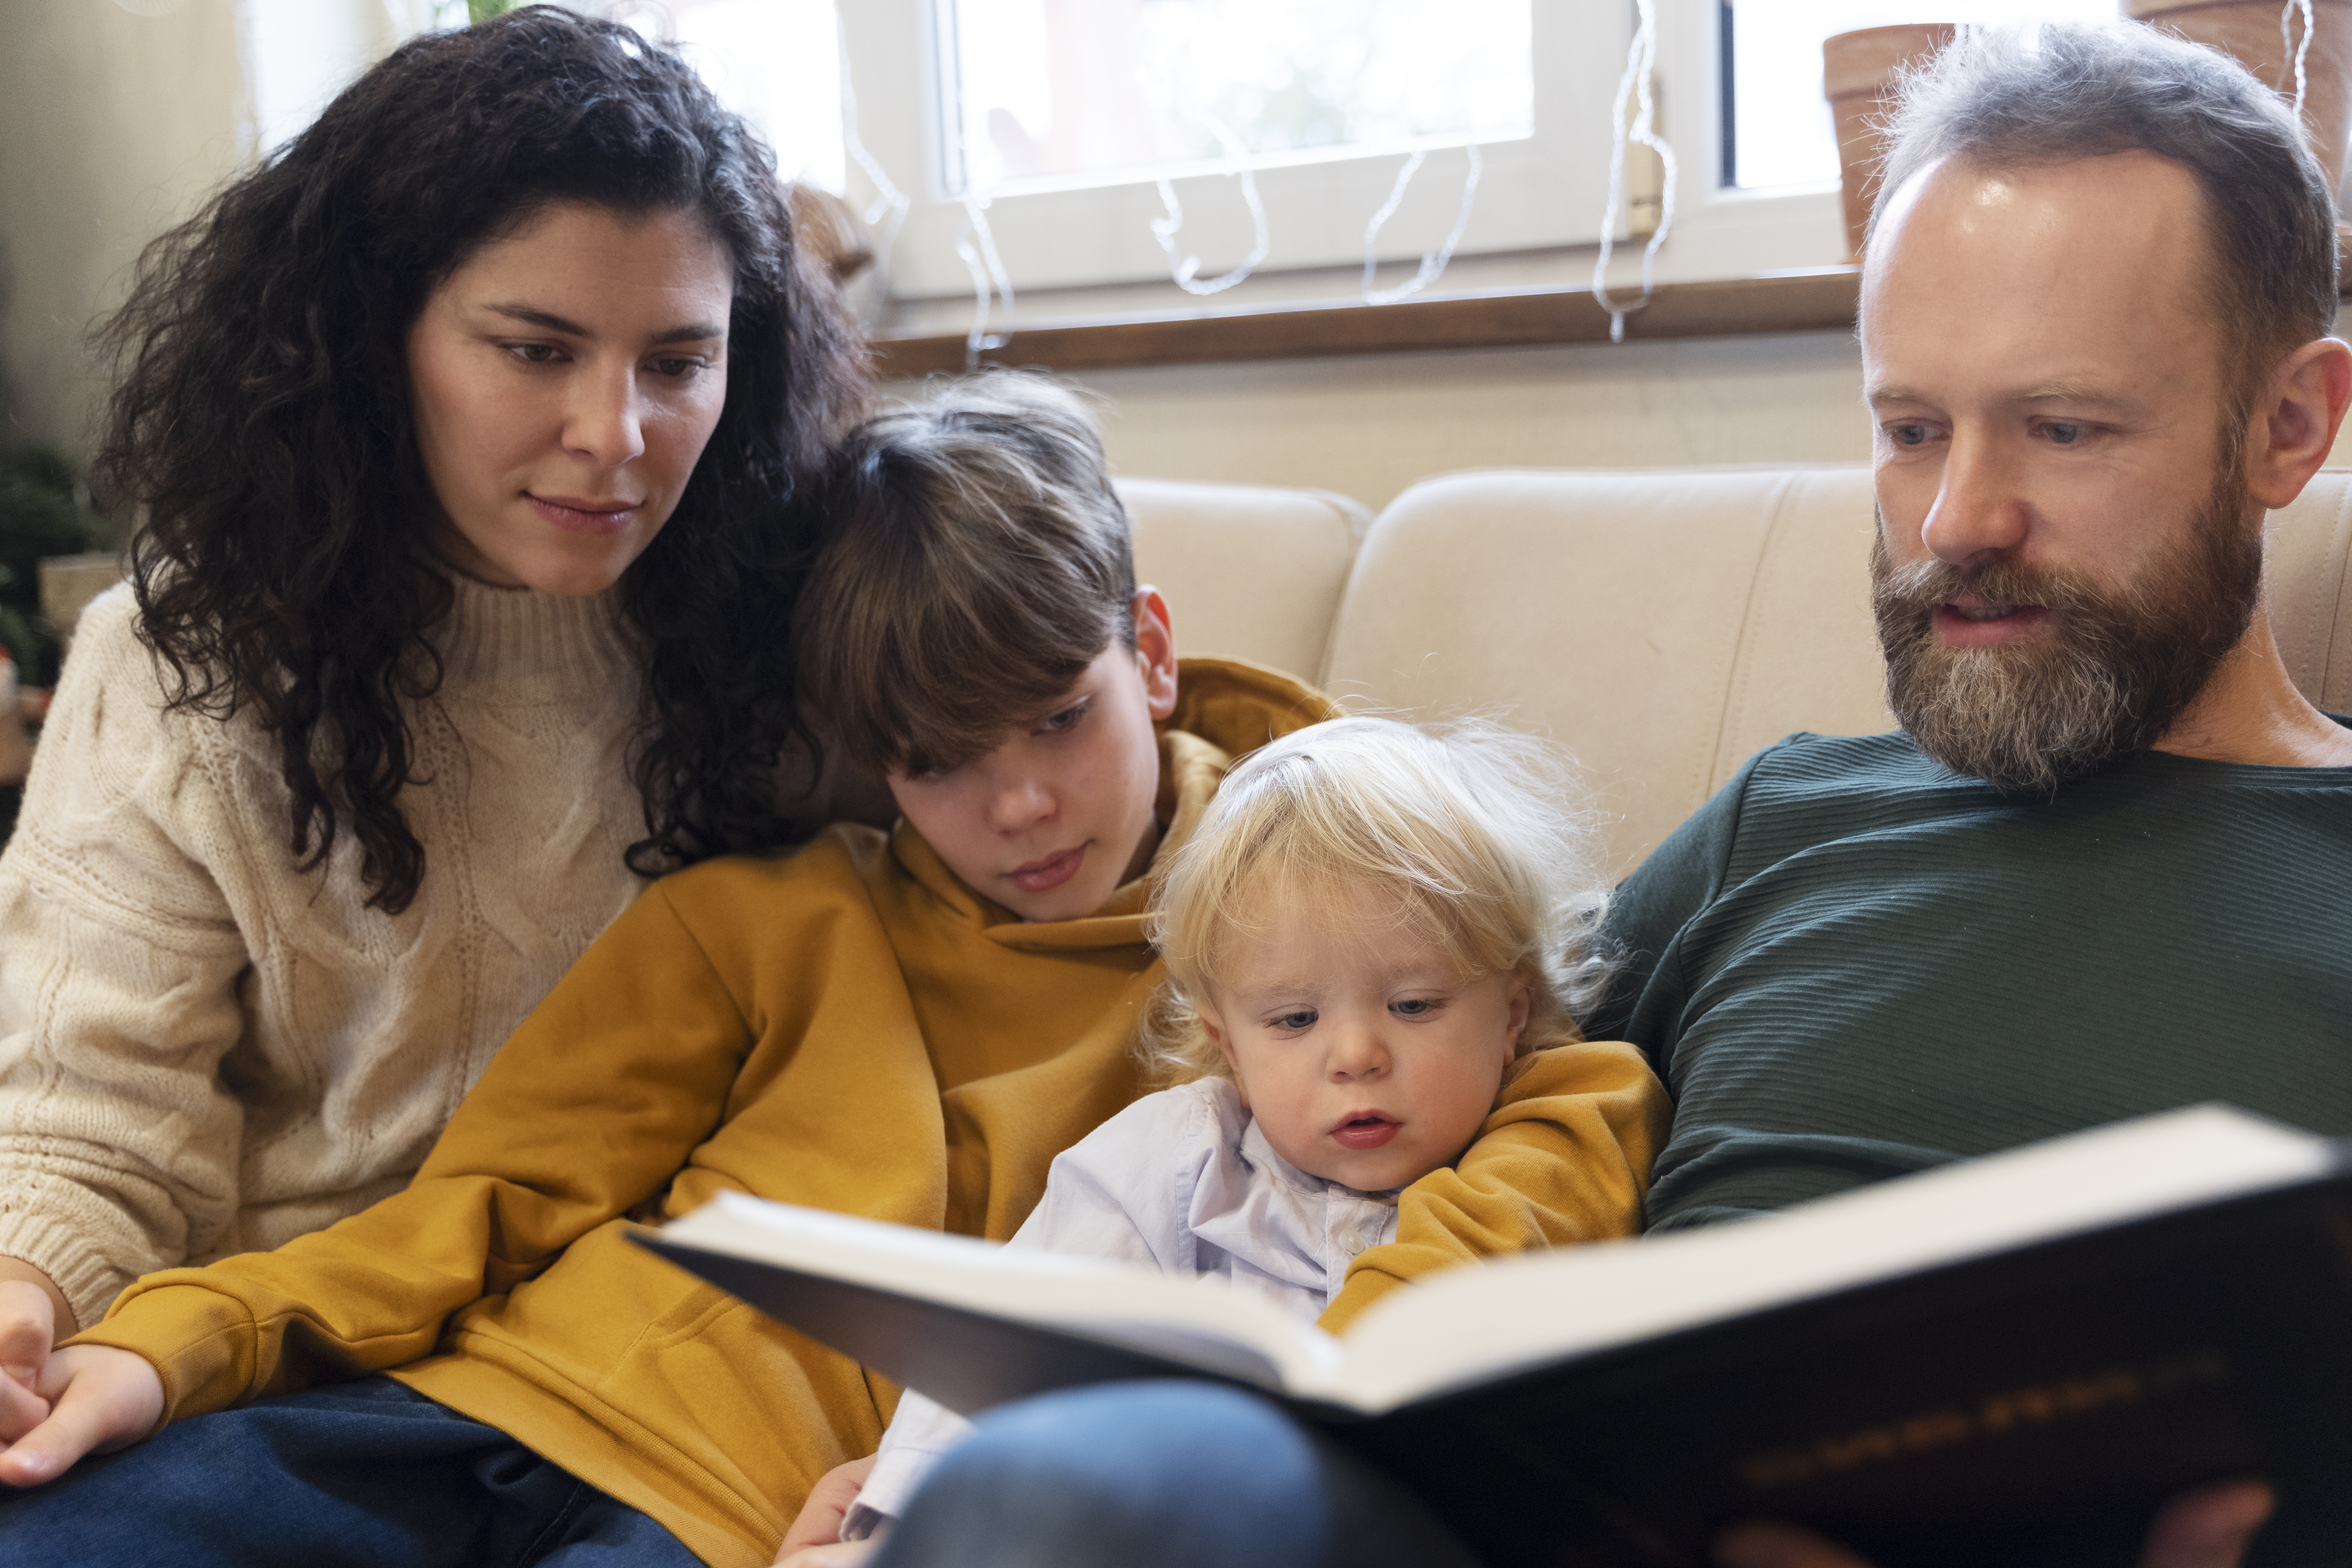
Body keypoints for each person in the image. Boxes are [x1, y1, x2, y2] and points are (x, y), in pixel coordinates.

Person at [827, 22, 2351, 1568]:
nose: (1955, 517)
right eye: (1907, 430)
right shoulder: (1788, 828)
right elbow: (1399, 1080)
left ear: (2288, 426)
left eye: (2066, 428)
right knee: (1045, 1496)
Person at [0, 378, 1665, 1568]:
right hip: (481, 1397)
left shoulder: (1314, 948)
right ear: (867, 764)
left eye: (1056, 717)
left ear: (1147, 653)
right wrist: (183, 1340)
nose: (1015, 805)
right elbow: (475, 1207)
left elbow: (1554, 1101)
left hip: (733, 1516)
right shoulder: (763, 918)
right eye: (935, 762)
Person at [0, 4, 866, 1391]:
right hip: (274, 1356)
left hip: (653, 1362)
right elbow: (87, 1121)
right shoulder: (174, 666)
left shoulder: (800, 626)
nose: (616, 436)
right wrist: (27, 1296)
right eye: (534, 349)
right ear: (369, 338)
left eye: (677, 362)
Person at [766, 716, 1666, 1561]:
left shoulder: (1558, 1115)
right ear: (1227, 1045)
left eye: (1415, 1004)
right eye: (1294, 1018)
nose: (1354, 1054)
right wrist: (896, 1521)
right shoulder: (1177, 1156)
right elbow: (1016, 1351)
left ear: (1512, 1010)